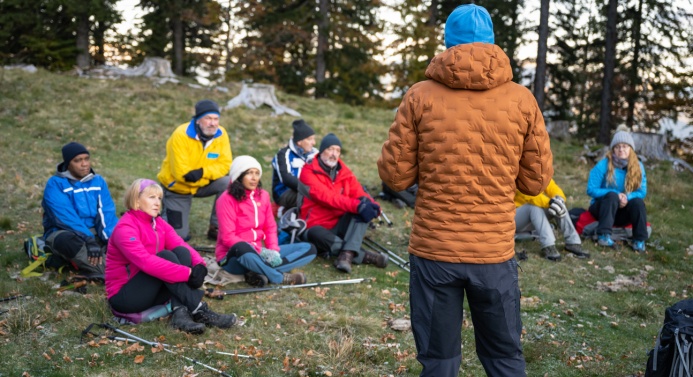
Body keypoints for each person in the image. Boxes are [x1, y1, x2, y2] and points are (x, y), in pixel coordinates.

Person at [378, 4, 553, 376]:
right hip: (493, 253)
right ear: (492, 42)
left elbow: (395, 178)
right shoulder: (522, 100)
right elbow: (535, 182)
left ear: (448, 44)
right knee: (505, 359)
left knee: (439, 361)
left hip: (435, 250)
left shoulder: (420, 95)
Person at [106, 179, 237, 334]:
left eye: (159, 198)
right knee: (166, 256)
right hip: (125, 296)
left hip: (150, 289)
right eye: (151, 197)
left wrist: (199, 265)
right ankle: (198, 309)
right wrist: (188, 273)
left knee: (181, 253)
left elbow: (181, 245)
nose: (157, 203)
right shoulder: (125, 227)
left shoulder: (158, 223)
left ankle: (180, 313)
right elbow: (146, 262)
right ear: (136, 200)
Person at [215, 156, 317, 287]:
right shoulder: (226, 199)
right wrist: (259, 251)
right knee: (241, 247)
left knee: (309, 248)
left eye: (257, 173)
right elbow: (228, 237)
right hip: (233, 257)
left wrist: (273, 250)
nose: (254, 178)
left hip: (261, 254)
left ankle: (260, 271)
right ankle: (279, 277)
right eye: (249, 173)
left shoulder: (263, 196)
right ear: (238, 175)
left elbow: (270, 227)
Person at [299, 133, 388, 274]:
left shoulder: (344, 172)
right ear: (322, 150)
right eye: (330, 149)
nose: (334, 154)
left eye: (338, 150)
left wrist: (373, 205)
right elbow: (327, 197)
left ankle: (346, 255)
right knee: (321, 235)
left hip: (339, 223)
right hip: (316, 226)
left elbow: (358, 192)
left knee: (365, 208)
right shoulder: (308, 172)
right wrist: (357, 205)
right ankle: (363, 255)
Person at [157, 99, 233, 241]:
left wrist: (202, 173)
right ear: (198, 120)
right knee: (178, 237)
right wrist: (207, 174)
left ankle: (216, 228)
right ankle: (158, 212)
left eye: (216, 119)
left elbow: (226, 165)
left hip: (202, 183)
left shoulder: (221, 134)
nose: (213, 123)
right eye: (208, 118)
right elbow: (182, 174)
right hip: (178, 189)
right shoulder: (181, 135)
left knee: (230, 182)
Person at [42, 142, 118, 277]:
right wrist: (88, 239)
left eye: (86, 159)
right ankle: (110, 272)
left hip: (95, 233)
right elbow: (65, 218)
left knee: (122, 234)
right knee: (68, 242)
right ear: (68, 164)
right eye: (78, 160)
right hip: (65, 232)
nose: (84, 164)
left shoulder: (98, 182)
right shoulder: (55, 184)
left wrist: (111, 239)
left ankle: (117, 265)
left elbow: (106, 213)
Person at [586, 129, 648, 252]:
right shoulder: (603, 165)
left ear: (630, 148)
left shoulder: (638, 167)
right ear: (613, 149)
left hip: (623, 212)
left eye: (624, 146)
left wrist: (626, 197)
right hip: (603, 208)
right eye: (617, 147)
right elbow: (591, 189)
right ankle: (603, 235)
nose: (621, 150)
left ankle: (639, 240)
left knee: (638, 202)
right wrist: (615, 194)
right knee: (612, 196)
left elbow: (642, 192)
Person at [515, 179, 589, 261]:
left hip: (532, 217)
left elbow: (551, 186)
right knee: (533, 207)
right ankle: (548, 246)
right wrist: (550, 202)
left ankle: (573, 242)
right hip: (512, 217)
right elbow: (527, 195)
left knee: (559, 204)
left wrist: (559, 199)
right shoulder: (516, 169)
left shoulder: (538, 170)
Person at [271, 119, 318, 213]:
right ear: (299, 142)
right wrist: (310, 189)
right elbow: (286, 179)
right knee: (313, 199)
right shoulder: (283, 155)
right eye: (310, 139)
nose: (314, 143)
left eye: (314, 139)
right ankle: (283, 211)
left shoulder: (316, 154)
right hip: (284, 193)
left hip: (310, 189)